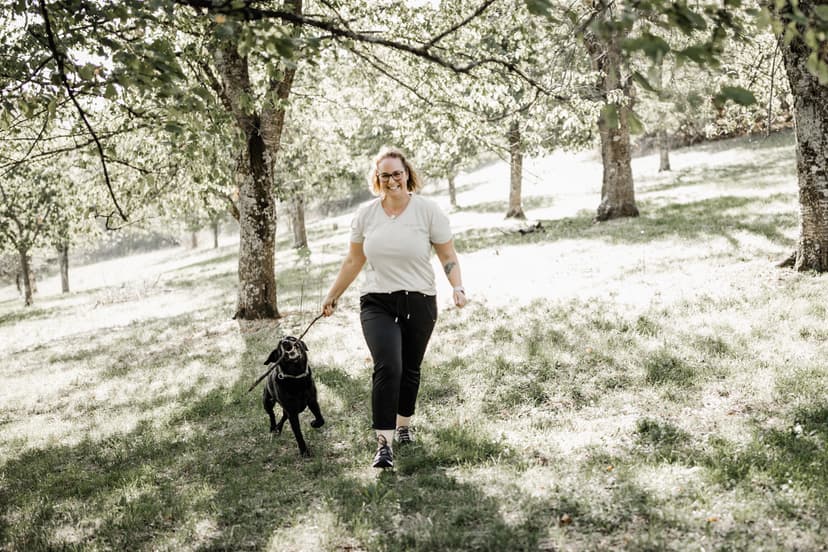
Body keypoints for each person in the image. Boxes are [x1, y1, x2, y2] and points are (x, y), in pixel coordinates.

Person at [322, 147, 467, 469]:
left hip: (420, 300)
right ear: (377, 178)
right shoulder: (366, 214)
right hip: (377, 301)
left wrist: (456, 285)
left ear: (407, 174)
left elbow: (447, 255)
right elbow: (354, 260)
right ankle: (383, 444)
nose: (391, 180)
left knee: (410, 368)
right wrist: (333, 294)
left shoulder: (428, 211)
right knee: (389, 366)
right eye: (384, 175)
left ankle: (403, 425)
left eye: (396, 173)